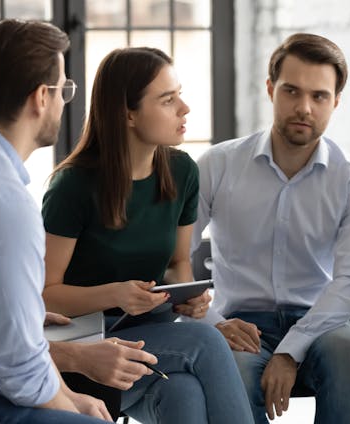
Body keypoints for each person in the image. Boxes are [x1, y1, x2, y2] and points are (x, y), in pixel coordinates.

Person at [0, 31, 157, 404]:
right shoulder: (2, 204)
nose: (64, 100)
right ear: (41, 97)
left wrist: (24, 313)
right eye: (63, 88)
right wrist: (74, 406)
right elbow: (20, 372)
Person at [41, 46, 253, 424]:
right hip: (88, 347)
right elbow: (44, 295)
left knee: (183, 393)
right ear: (128, 114)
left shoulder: (182, 171)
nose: (185, 108)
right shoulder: (72, 186)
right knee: (206, 341)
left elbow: (176, 264)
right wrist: (115, 294)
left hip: (151, 334)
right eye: (168, 100)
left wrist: (190, 299)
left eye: (180, 95)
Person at [192, 32, 350, 423]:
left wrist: (290, 350)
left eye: (319, 96)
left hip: (323, 320)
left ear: (336, 101)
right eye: (291, 91)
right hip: (240, 322)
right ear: (270, 89)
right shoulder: (218, 165)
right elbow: (174, 257)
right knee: (234, 374)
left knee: (345, 355)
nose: (304, 108)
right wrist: (214, 325)